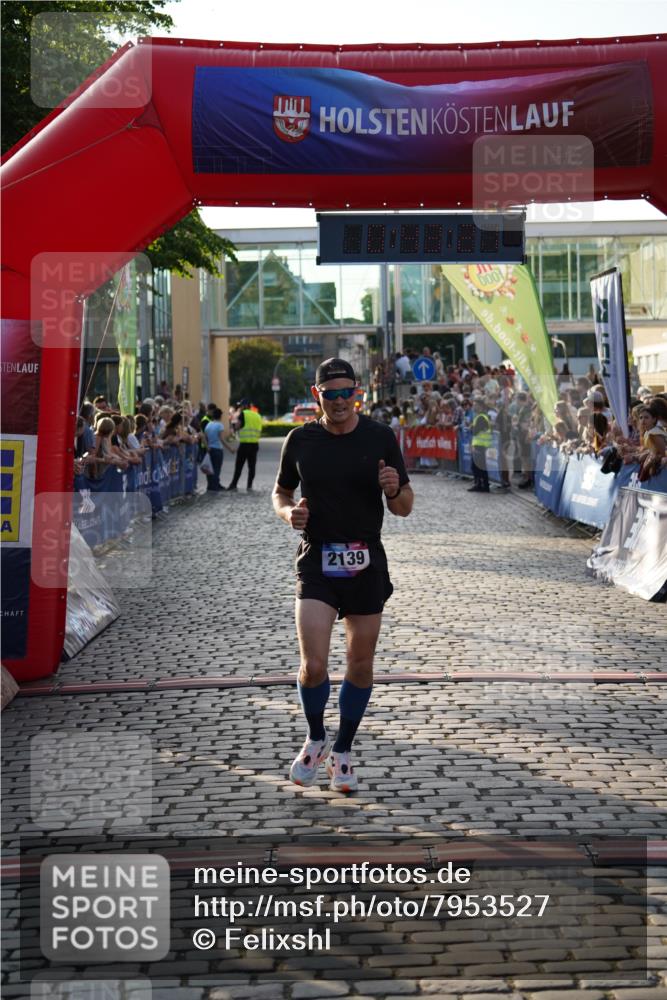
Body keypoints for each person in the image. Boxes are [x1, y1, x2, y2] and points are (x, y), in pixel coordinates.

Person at [272, 358, 414, 793]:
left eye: (345, 393)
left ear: (358, 393)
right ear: (318, 396)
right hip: (317, 560)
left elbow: (404, 505)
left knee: (360, 663)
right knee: (313, 665)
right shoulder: (300, 440)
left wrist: (393, 488)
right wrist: (287, 513)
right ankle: (315, 737)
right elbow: (281, 490)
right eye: (329, 394)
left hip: (366, 560)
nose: (338, 401)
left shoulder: (380, 437)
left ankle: (343, 750)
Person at [227, 398, 262, 492]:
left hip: (244, 444)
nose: (240, 407)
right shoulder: (257, 415)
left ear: (244, 406)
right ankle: (249, 486)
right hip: (254, 444)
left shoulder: (243, 414)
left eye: (241, 406)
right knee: (252, 466)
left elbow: (238, 426)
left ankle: (233, 484)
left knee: (239, 465)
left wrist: (232, 427)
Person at [203, 406, 234, 491]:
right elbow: (222, 439)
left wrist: (207, 447)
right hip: (217, 450)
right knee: (216, 469)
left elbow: (204, 437)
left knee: (210, 468)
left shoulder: (208, 424)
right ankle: (215, 486)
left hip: (210, 449)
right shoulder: (220, 425)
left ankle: (210, 485)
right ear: (220, 416)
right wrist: (230, 448)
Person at [469, 397, 492, 493]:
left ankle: (483, 485)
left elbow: (475, 431)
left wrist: (471, 427)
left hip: (481, 445)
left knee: (479, 466)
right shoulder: (479, 416)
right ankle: (479, 484)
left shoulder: (481, 417)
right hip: (479, 444)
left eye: (475, 405)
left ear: (481, 406)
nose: (474, 407)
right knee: (476, 466)